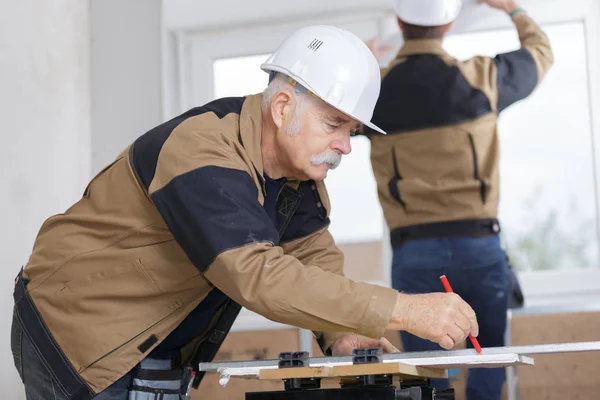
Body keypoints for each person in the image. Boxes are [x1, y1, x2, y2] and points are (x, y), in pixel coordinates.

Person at [11, 25, 479, 400]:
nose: (345, 145)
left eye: (352, 129)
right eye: (335, 124)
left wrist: (343, 332)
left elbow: (310, 257)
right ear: (281, 107)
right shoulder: (203, 154)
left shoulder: (298, 175)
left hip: (156, 338)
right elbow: (260, 275)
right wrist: (404, 309)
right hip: (79, 328)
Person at [364, 0, 553, 399]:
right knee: (490, 357)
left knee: (427, 376)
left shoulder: (374, 93)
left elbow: (326, 104)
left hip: (415, 254)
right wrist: (513, 9)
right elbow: (540, 53)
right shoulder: (483, 79)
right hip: (479, 246)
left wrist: (361, 61)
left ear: (400, 21)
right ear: (448, 24)